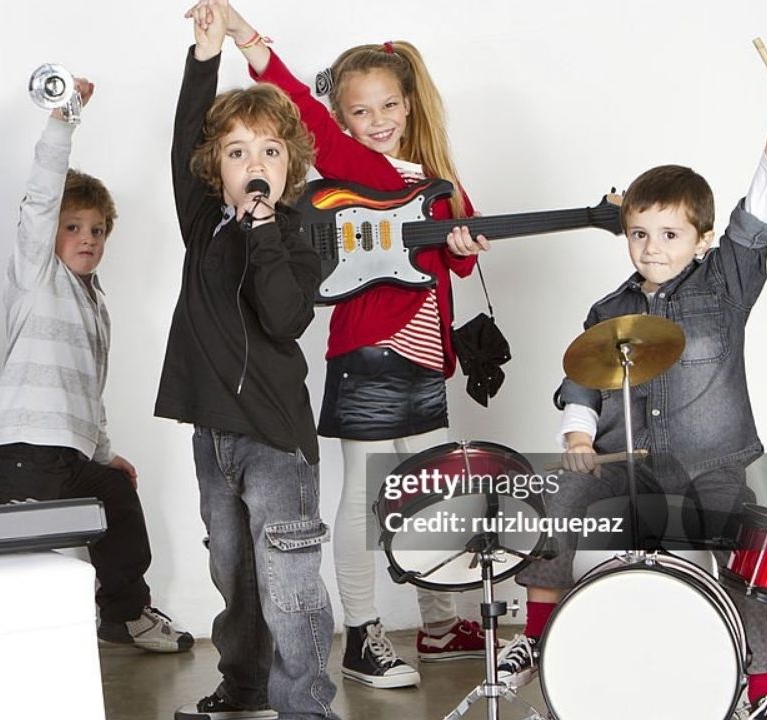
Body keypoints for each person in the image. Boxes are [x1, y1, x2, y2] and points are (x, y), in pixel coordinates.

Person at [197, 0, 493, 689]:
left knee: (435, 496)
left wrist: (462, 243)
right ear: (344, 121)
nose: (379, 121)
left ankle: (442, 626)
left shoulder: (435, 178)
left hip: (427, 365)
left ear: (410, 106)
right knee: (364, 503)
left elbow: (459, 264)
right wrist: (244, 36)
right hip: (367, 362)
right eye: (361, 112)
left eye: (390, 106)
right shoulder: (356, 168)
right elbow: (300, 107)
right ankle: (362, 638)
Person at [498, 85, 767, 720]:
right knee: (555, 498)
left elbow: (755, 217)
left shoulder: (727, 284)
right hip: (625, 462)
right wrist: (578, 439)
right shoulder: (609, 310)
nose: (652, 247)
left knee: (751, 545)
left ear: (702, 239)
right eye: (639, 233)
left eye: (670, 234)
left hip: (711, 465)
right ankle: (533, 640)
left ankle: (763, 692)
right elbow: (582, 382)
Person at [160, 6, 339, 719]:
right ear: (217, 171)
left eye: (268, 151)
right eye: (237, 153)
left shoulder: (301, 236)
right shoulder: (202, 223)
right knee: (234, 576)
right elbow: (183, 140)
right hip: (213, 434)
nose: (254, 164)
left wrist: (264, 230)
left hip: (275, 442)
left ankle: (307, 709)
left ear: (289, 164)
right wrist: (204, 58)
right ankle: (244, 691)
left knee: (289, 586)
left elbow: (287, 316)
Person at [0, 76, 192, 654]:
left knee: (117, 496)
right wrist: (62, 121)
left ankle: (123, 614)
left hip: (66, 453)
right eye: (72, 228)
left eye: (97, 230)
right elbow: (42, 197)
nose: (87, 238)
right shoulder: (35, 276)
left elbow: (89, 392)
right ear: (49, 236)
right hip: (22, 449)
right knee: (19, 554)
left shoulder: (95, 303)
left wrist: (102, 453)